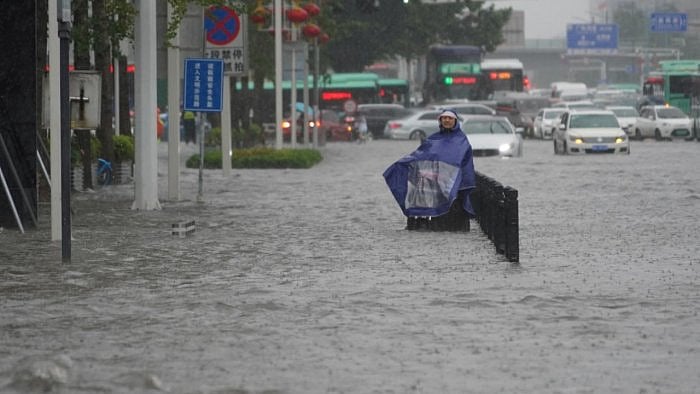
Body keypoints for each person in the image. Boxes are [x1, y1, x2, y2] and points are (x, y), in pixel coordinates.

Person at [383, 108, 476, 230]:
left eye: (450, 118)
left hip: (454, 187)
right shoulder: (433, 139)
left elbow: (464, 162)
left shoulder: (461, 140)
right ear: (440, 120)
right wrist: (404, 163)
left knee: (452, 218)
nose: (447, 120)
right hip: (434, 186)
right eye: (444, 118)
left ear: (455, 121)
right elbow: (420, 155)